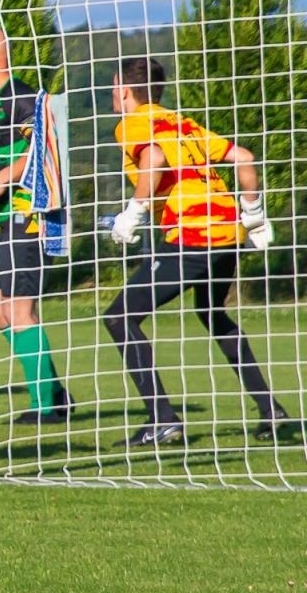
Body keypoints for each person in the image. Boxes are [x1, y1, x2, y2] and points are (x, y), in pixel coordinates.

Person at [104, 56, 295, 447]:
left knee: (120, 317)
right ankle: (270, 408)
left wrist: (133, 211)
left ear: (123, 89)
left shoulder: (134, 123)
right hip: (227, 230)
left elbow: (154, 159)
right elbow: (244, 158)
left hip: (193, 232)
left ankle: (162, 419)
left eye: (112, 87)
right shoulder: (183, 123)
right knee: (211, 312)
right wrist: (254, 214)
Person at [0, 28, 69, 423]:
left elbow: (43, 147)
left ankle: (45, 407)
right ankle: (54, 391)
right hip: (8, 219)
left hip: (29, 217)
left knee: (18, 310)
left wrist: (0, 180)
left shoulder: (19, 96)